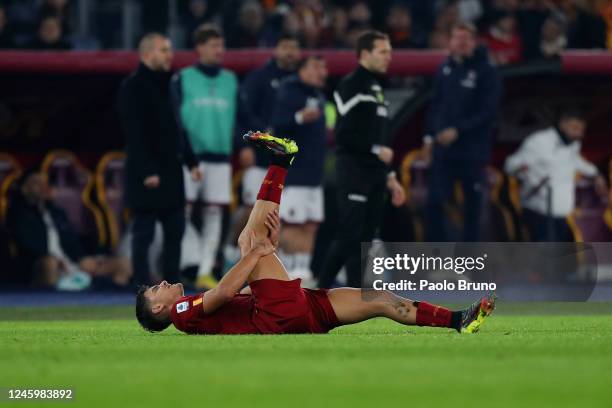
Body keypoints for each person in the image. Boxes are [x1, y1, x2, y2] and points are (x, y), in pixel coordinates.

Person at [135, 132, 496, 335]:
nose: (162, 283)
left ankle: (458, 321)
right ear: (159, 309)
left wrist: (263, 260)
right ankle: (281, 161)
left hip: (301, 311)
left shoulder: (192, 313)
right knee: (249, 242)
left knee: (382, 299)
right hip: (276, 314)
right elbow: (226, 291)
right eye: (155, 290)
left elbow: (234, 296)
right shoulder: (181, 313)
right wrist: (260, 255)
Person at [317, 31, 406, 289]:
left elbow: (379, 135)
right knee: (349, 236)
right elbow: (343, 135)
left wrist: (390, 177)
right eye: (383, 52)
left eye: (389, 51)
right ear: (365, 54)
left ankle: (356, 294)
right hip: (354, 170)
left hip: (376, 173)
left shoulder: (377, 88)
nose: (389, 57)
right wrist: (376, 149)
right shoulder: (351, 85)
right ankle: (320, 290)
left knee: (366, 238)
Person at [118, 33, 200, 287]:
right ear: (147, 54)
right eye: (164, 50)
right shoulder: (133, 86)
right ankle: (141, 286)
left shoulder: (170, 85)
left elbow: (178, 127)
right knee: (144, 231)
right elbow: (135, 133)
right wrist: (147, 171)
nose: (169, 55)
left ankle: (173, 285)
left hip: (172, 169)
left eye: (169, 50)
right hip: (148, 171)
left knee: (175, 228)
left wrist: (191, 161)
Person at [171, 24, 238, 289]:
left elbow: (240, 115)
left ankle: (205, 270)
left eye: (221, 45)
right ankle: (192, 260)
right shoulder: (183, 78)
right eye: (212, 45)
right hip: (191, 156)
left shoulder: (230, 80)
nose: (218, 50)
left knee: (214, 214)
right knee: (182, 211)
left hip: (220, 156)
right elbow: (176, 118)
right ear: (199, 48)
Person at [424, 22, 502, 242]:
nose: (461, 43)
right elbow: (435, 105)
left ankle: (469, 266)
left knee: (472, 208)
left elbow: (488, 112)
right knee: (435, 203)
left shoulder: (487, 71)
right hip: (444, 150)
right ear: (450, 42)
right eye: (457, 38)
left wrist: (458, 130)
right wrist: (429, 137)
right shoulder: (445, 68)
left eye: (466, 39)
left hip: (472, 151)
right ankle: (437, 262)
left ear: (474, 42)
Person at [7, 170, 131, 290]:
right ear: (24, 189)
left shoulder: (57, 213)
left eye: (44, 182)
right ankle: (47, 303)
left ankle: (108, 302)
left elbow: (72, 240)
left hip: (72, 264)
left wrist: (82, 258)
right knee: (50, 263)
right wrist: (58, 260)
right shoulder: (18, 214)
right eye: (36, 183)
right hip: (42, 267)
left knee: (123, 264)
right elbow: (28, 246)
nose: (43, 186)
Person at [504, 109, 608, 241]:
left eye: (581, 130)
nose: (579, 134)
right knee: (543, 253)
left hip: (561, 209)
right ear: (563, 124)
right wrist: (523, 172)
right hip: (539, 209)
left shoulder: (573, 144)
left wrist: (596, 174)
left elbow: (576, 161)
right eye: (574, 128)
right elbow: (511, 165)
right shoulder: (539, 141)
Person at [271, 55, 328, 282]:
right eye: (316, 66)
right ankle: (288, 272)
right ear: (302, 70)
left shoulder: (319, 96)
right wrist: (299, 117)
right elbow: (277, 124)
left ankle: (302, 271)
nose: (322, 72)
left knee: (311, 224)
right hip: (295, 172)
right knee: (293, 224)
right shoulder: (289, 92)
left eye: (323, 67)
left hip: (315, 173)